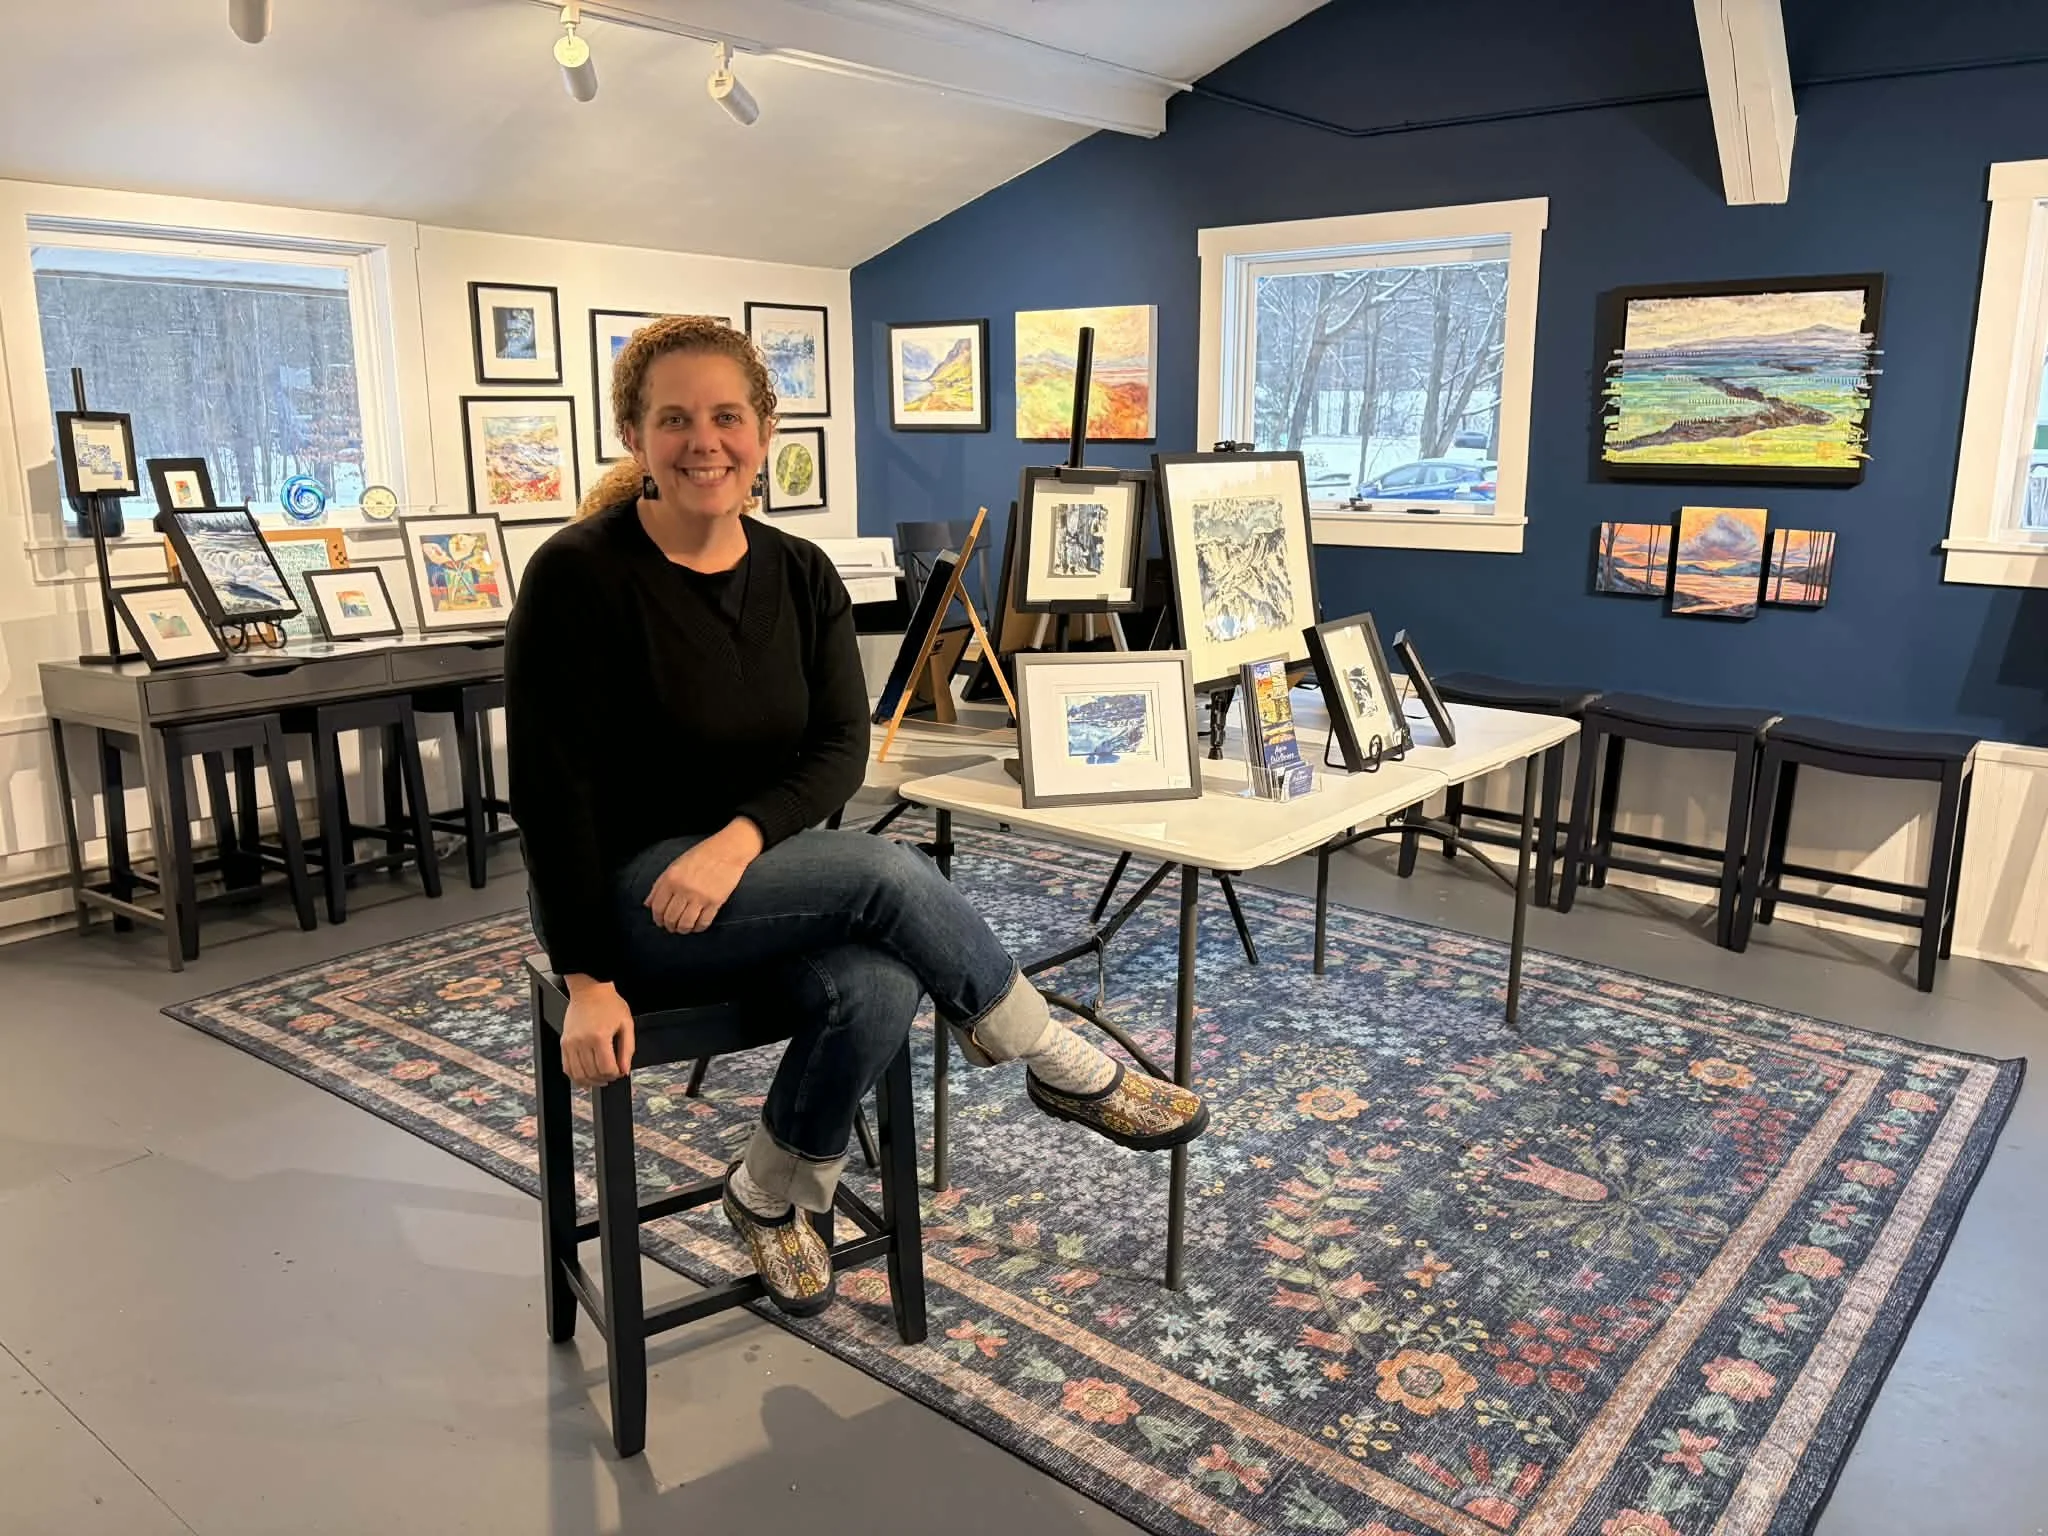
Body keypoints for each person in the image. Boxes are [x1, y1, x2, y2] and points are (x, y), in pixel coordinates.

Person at [505, 317, 1207, 1318]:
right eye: (673, 419)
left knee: (878, 986)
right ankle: (1058, 1060)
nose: (703, 442)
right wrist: (583, 979)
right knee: (886, 874)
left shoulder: (798, 573)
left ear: (764, 427)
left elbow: (838, 747)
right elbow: (548, 791)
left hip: (749, 887)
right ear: (633, 435)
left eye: (725, 416)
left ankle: (768, 1196)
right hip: (623, 904)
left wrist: (736, 843)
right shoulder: (578, 576)